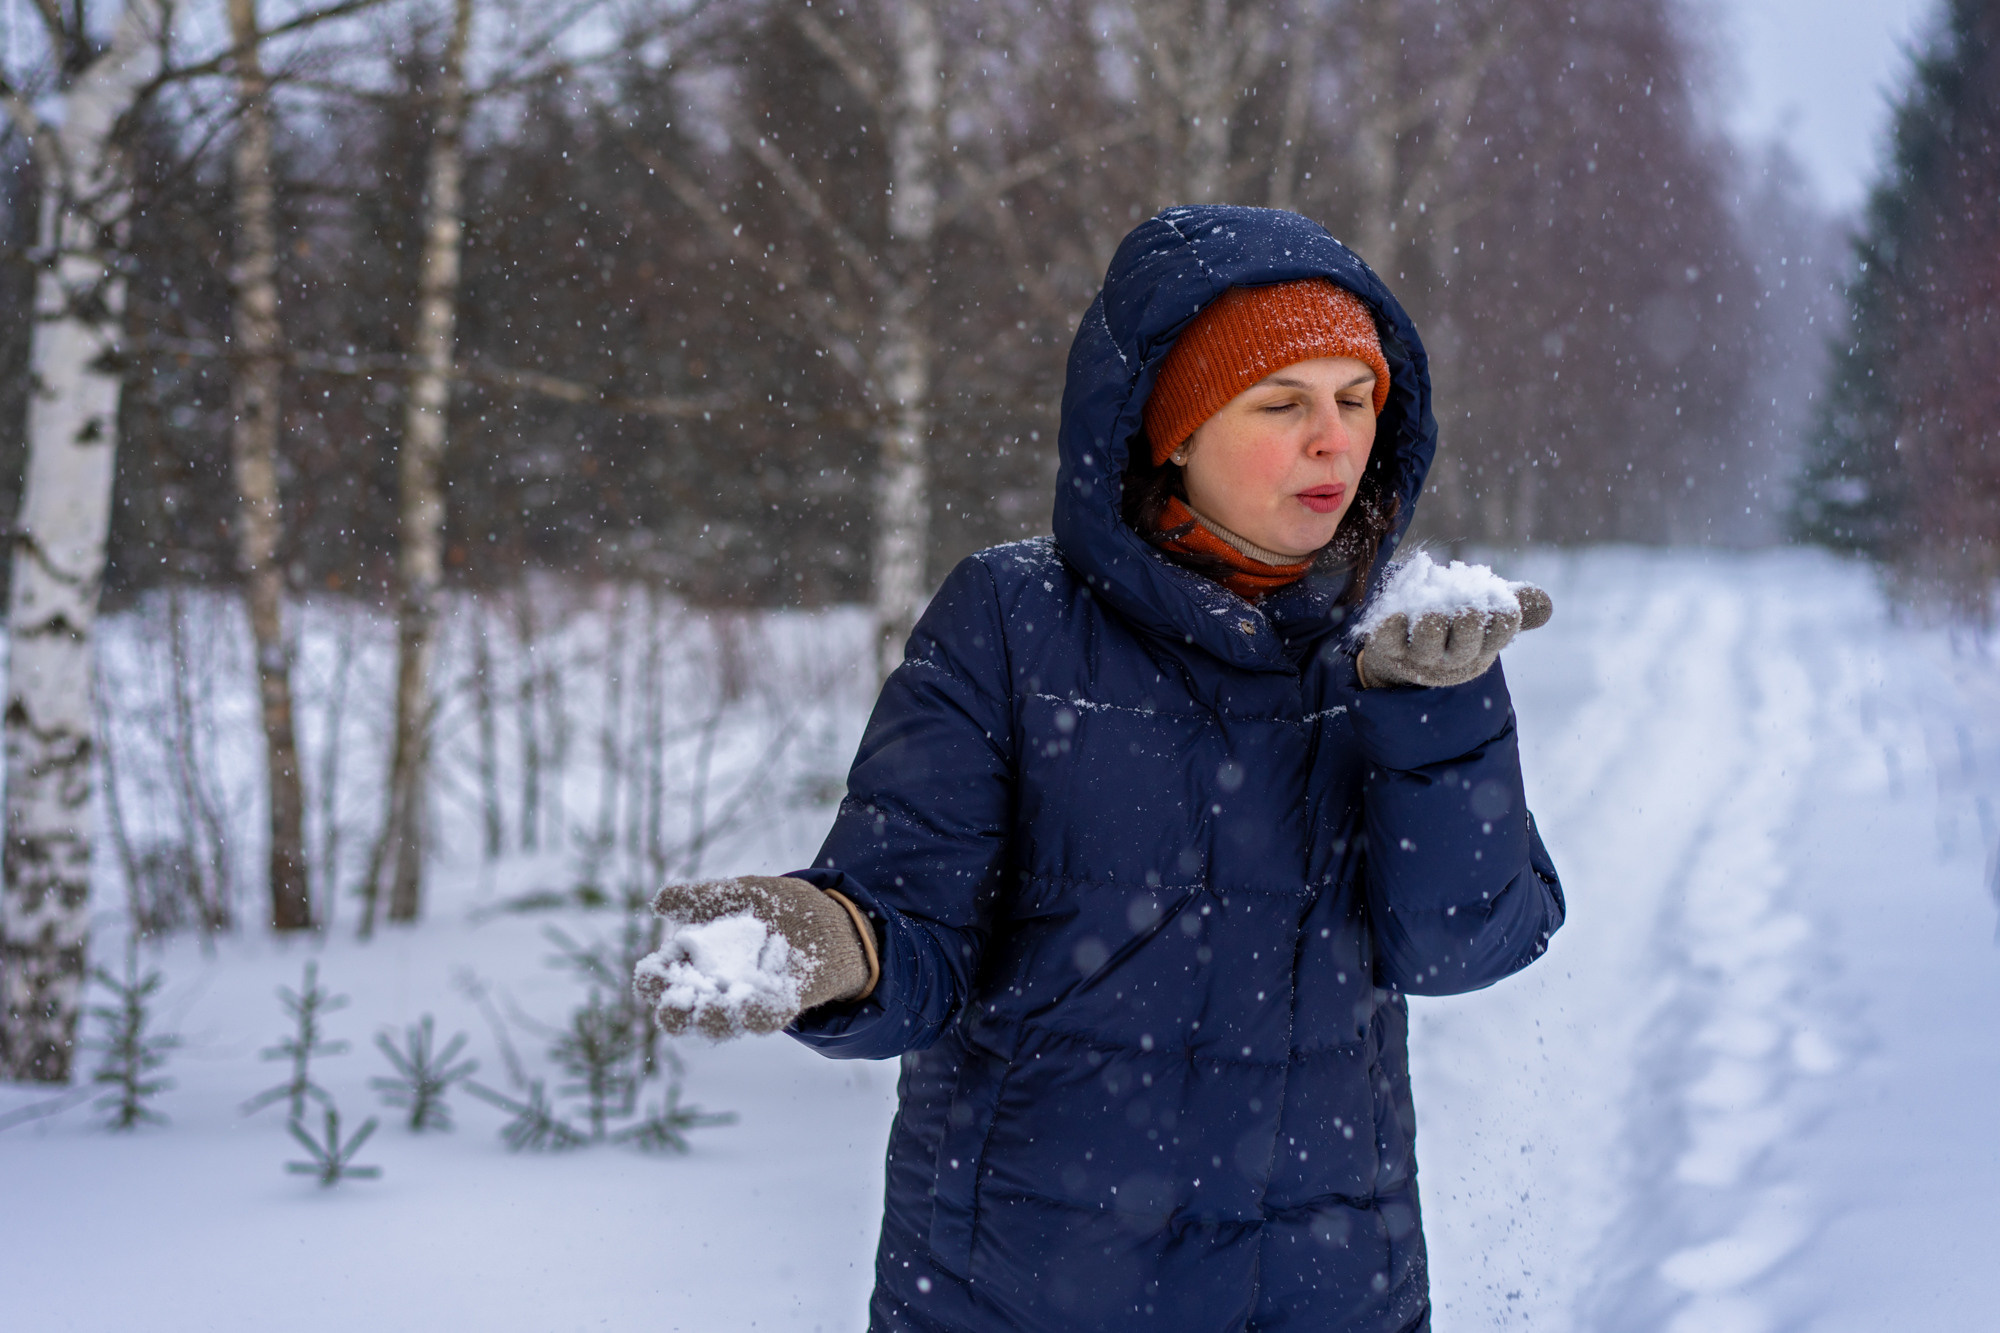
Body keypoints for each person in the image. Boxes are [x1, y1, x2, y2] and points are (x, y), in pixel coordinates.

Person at [637, 204, 1565, 1333]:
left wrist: (1437, 718)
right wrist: (834, 942)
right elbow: (914, 928)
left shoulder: (1400, 635)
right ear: (1167, 432)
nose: (1334, 440)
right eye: (1281, 403)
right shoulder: (1011, 620)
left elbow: (1466, 942)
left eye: (1355, 399)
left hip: (1321, 1288)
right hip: (1021, 1289)